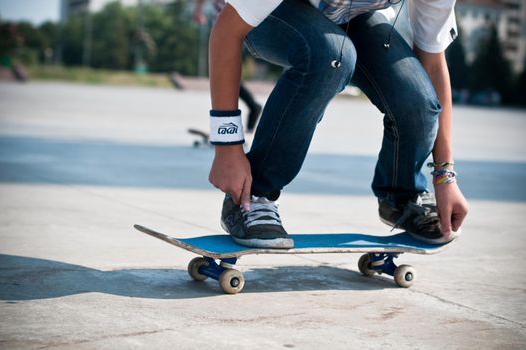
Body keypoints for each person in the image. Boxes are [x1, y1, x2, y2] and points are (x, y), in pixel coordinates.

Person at [207, 0, 469, 249]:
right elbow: (227, 32)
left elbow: (433, 63)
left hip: (351, 17)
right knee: (331, 57)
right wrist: (227, 148)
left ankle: (401, 197)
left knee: (416, 100)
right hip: (270, 15)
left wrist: (445, 177)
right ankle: (251, 197)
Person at [193, 0, 262, 133]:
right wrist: (198, 9)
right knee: (223, 74)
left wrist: (198, 9)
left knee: (225, 74)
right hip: (223, 27)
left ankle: (231, 125)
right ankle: (248, 110)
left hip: (238, 25)